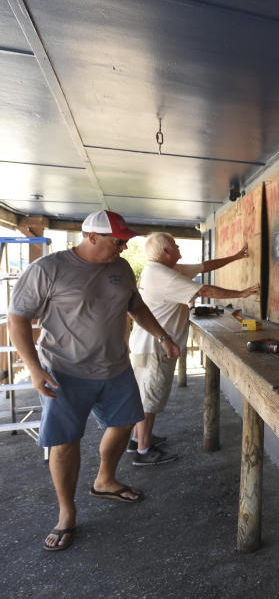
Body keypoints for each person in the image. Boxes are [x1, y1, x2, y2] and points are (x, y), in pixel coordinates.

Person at [8, 210, 180, 552]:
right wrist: (33, 368)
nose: (121, 248)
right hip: (64, 370)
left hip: (115, 367)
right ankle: (66, 514)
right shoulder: (48, 269)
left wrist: (163, 336)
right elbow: (18, 318)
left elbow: (136, 306)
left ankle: (105, 479)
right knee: (65, 440)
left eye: (124, 242)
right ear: (91, 237)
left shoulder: (120, 268)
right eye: (116, 242)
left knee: (126, 421)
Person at [127, 232, 259, 466]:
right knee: (150, 399)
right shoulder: (163, 275)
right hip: (154, 347)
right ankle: (143, 451)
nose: (179, 248)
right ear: (166, 252)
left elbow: (205, 266)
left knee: (147, 395)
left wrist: (237, 256)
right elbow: (204, 291)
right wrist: (241, 294)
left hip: (147, 345)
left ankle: (138, 439)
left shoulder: (164, 269)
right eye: (176, 245)